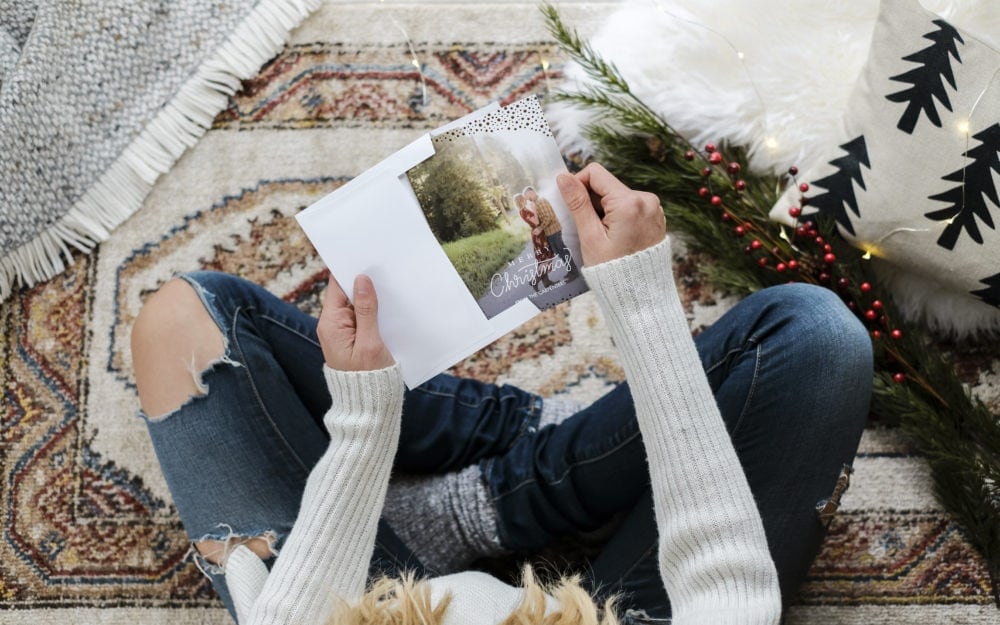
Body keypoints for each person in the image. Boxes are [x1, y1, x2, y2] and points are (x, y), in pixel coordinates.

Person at [131, 164, 872, 625]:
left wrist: (364, 422)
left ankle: (497, 485)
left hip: (379, 609)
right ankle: (527, 476)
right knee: (816, 340)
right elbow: (728, 591)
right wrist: (640, 302)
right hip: (616, 616)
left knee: (185, 323)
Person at [524, 185, 581, 281]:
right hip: (549, 232)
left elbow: (548, 217)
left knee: (562, 251)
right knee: (559, 252)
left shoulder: (541, 201)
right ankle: (571, 270)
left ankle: (574, 272)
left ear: (531, 192)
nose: (528, 199)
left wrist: (540, 228)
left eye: (527, 196)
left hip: (554, 230)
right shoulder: (536, 203)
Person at [516, 196, 556, 289]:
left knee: (544, 258)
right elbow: (537, 221)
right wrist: (534, 209)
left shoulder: (524, 210)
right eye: (524, 198)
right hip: (538, 235)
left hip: (538, 234)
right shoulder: (524, 211)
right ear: (521, 200)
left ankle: (546, 282)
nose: (526, 199)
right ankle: (535, 281)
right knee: (546, 257)